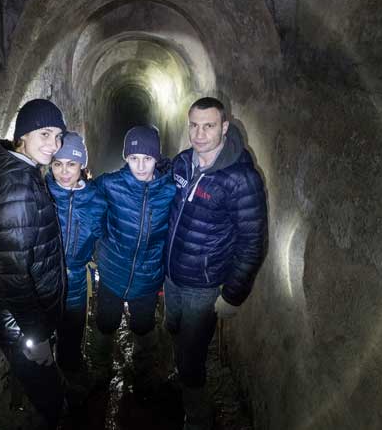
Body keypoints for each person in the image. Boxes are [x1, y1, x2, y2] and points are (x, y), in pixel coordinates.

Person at [164, 97, 268, 430]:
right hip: (172, 275)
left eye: (209, 126)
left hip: (203, 285)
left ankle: (197, 418)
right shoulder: (182, 163)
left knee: (193, 356)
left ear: (224, 127)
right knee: (174, 330)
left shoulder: (241, 180)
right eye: (193, 125)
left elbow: (252, 242)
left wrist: (233, 295)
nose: (199, 134)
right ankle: (179, 376)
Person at [0, 98, 67, 430]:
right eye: (45, 134)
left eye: (58, 136)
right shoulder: (18, 185)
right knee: (50, 399)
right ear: (22, 137)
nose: (53, 145)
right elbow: (13, 276)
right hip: (23, 327)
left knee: (34, 384)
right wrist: (38, 334)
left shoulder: (25, 172)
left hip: (24, 323)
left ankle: (25, 407)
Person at [91, 125, 176, 397]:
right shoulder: (109, 184)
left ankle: (142, 369)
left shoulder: (169, 191)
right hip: (113, 272)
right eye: (134, 158)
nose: (141, 166)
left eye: (147, 158)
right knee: (105, 321)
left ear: (157, 158)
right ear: (125, 157)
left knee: (143, 325)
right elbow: (86, 206)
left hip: (148, 276)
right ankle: (100, 368)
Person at [45, 132, 107, 403]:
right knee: (42, 338)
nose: (63, 171)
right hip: (45, 278)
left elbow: (102, 238)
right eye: (57, 164)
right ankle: (48, 389)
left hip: (77, 280)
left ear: (82, 165)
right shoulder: (42, 194)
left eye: (71, 164)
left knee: (71, 335)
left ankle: (70, 380)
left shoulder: (96, 200)